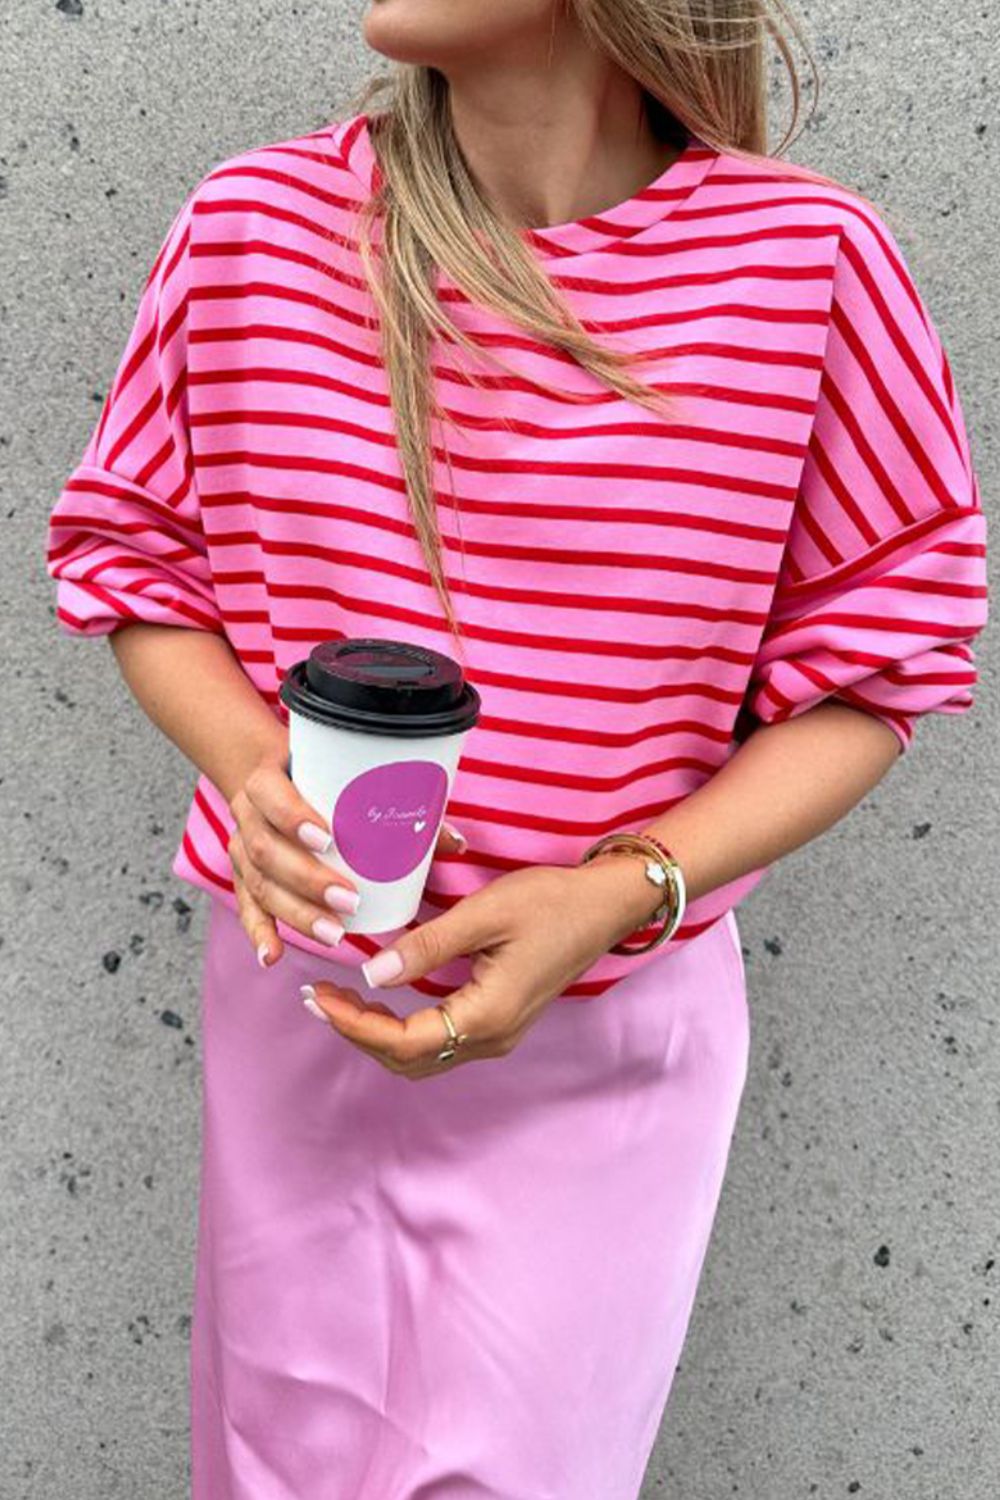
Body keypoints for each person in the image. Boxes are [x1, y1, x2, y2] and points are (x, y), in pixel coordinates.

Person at [44, 2, 989, 1495]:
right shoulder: (255, 229)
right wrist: (251, 771)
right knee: (277, 1462)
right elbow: (135, 556)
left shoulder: (807, 265)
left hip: (601, 1037)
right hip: (304, 1001)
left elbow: (882, 662)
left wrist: (623, 889)